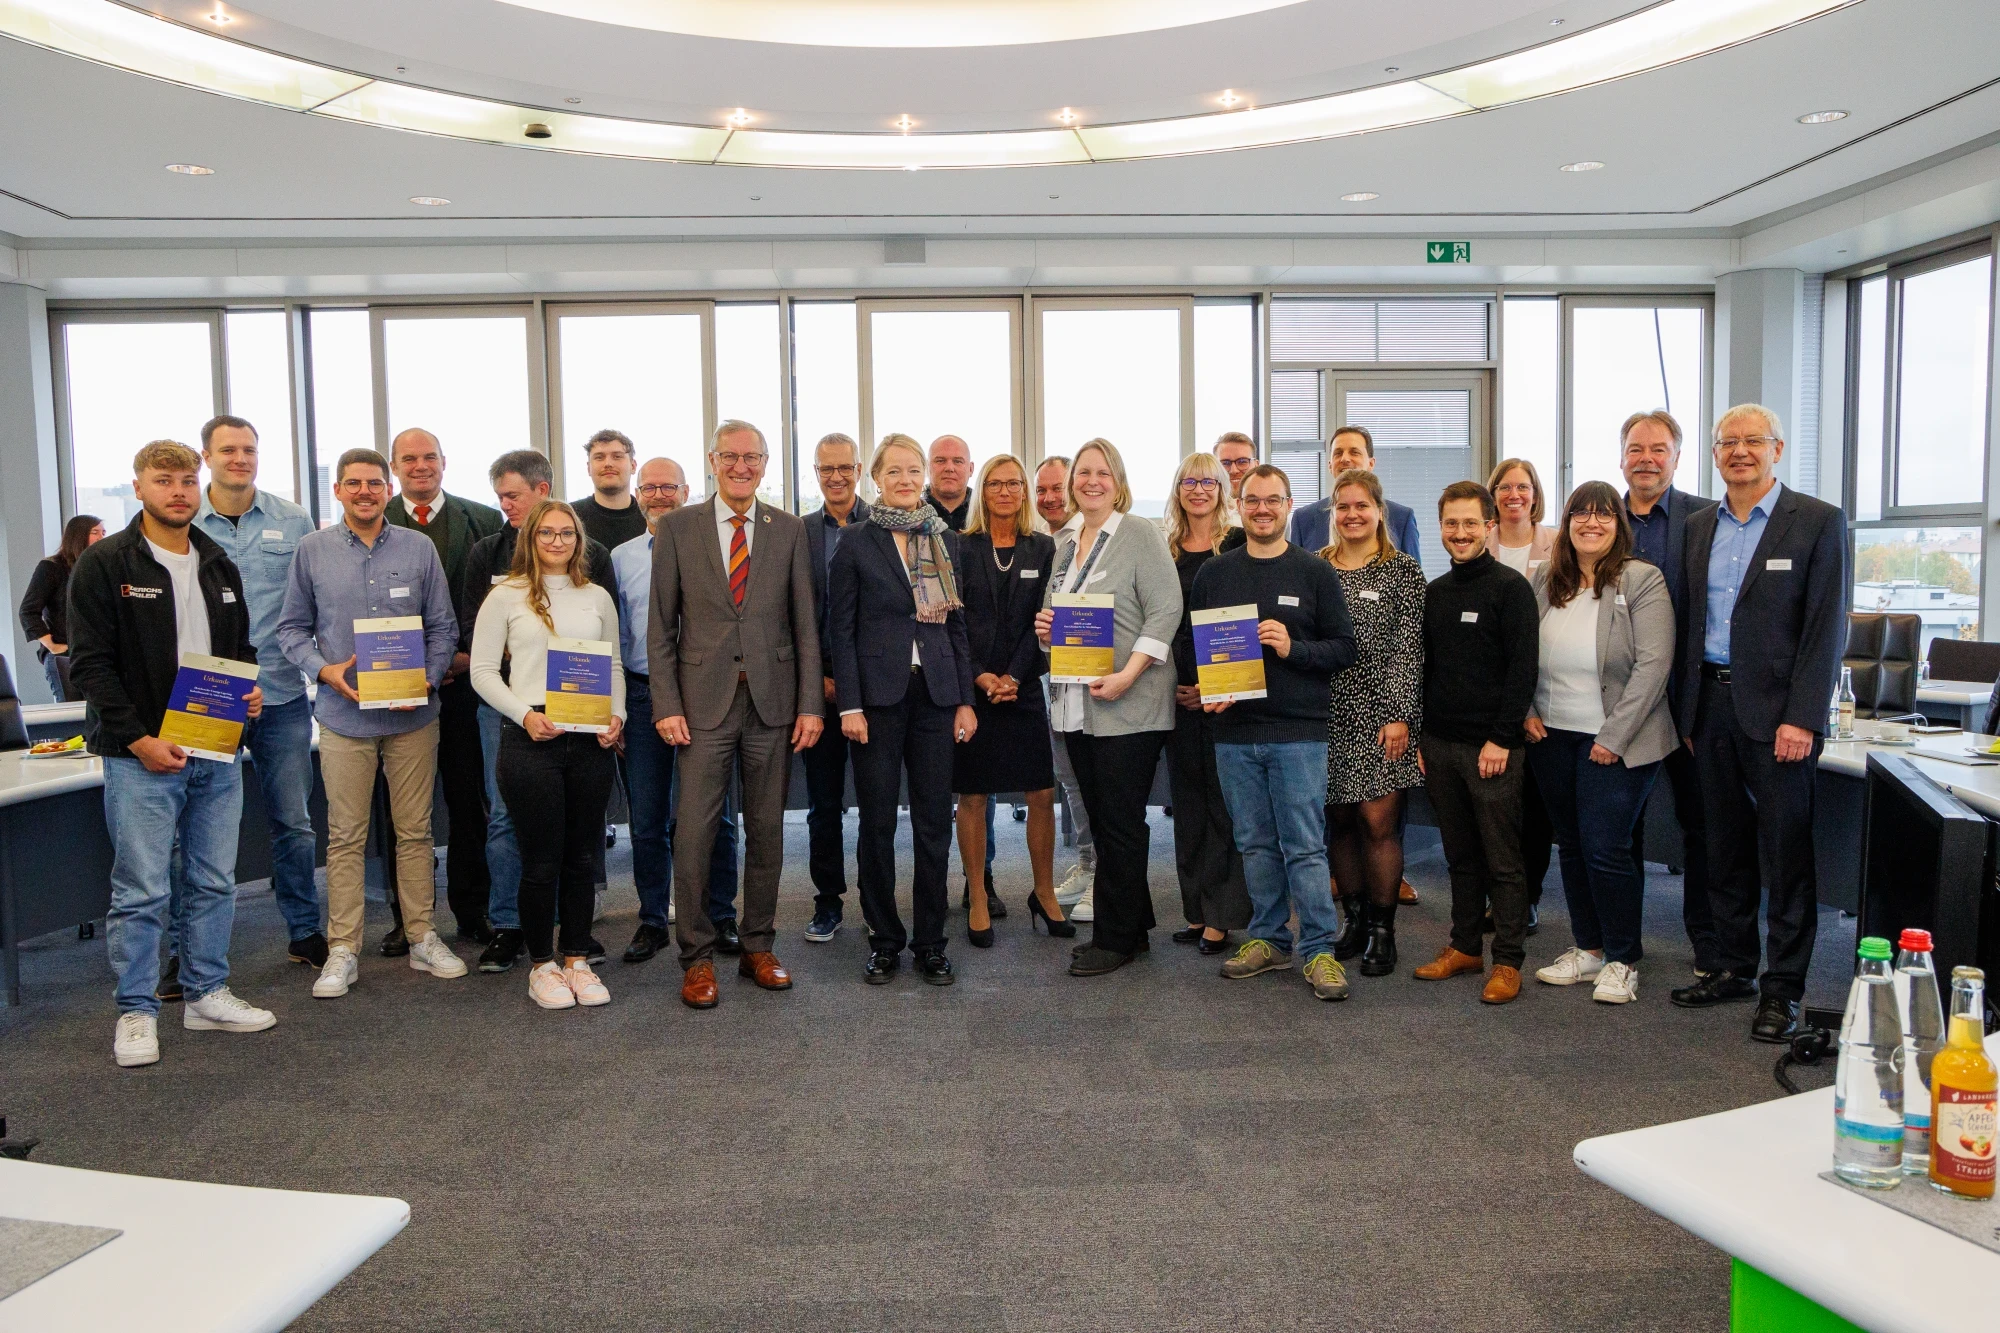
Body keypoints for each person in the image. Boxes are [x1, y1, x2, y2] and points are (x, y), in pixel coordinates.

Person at [69, 441, 276, 1068]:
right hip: (140, 755)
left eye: (189, 480)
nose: (180, 492)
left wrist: (249, 693)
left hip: (215, 748)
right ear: (139, 488)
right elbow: (90, 667)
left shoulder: (216, 563)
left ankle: (206, 992)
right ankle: (136, 1009)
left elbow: (238, 650)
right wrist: (138, 739)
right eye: (165, 481)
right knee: (141, 889)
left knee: (214, 880)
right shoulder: (106, 565)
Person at [1669, 405, 1847, 1043]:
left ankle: (1784, 989)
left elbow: (1825, 629)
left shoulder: (1817, 522)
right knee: (1723, 848)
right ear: (1715, 454)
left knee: (1785, 854)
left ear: (1777, 449)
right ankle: (1734, 967)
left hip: (1779, 721)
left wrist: (1803, 716)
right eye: (1727, 443)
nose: (1739, 452)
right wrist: (1686, 709)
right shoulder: (1697, 527)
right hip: (1709, 710)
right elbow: (1691, 625)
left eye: (1753, 442)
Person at [277, 447, 465, 998]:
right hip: (343, 716)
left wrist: (427, 679)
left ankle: (423, 936)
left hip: (413, 716)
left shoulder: (418, 547)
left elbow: (443, 628)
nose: (365, 491)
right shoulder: (312, 551)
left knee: (415, 832)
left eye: (374, 483)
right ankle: (342, 948)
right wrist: (324, 670)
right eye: (354, 483)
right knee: (345, 837)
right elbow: (291, 630)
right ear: (337, 490)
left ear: (388, 490)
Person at [648, 420, 822, 1010]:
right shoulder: (677, 527)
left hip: (773, 702)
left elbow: (805, 625)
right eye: (731, 456)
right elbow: (660, 630)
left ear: (765, 464)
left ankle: (758, 945)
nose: (741, 466)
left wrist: (809, 705)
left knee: (768, 829)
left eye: (752, 457)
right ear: (712, 461)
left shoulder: (789, 529)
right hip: (701, 706)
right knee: (695, 830)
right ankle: (695, 958)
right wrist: (667, 705)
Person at [1197, 465, 1357, 1002]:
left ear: (1289, 505)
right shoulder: (1215, 575)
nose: (1262, 509)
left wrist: (1293, 648)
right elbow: (1197, 649)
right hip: (1234, 732)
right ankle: (1268, 939)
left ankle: (1319, 950)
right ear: (1238, 505)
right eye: (1252, 500)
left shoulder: (1315, 573)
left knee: (1305, 846)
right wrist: (1204, 686)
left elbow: (1343, 649)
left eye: (1272, 500)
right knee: (1254, 843)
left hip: (1298, 732)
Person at [459, 450, 619, 973]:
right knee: (540, 860)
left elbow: (613, 665)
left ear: (579, 540)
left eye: (566, 533)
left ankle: (577, 959)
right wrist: (524, 715)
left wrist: (617, 716)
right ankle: (542, 964)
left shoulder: (595, 595)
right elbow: (483, 671)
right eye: (547, 533)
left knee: (581, 858)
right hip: (531, 736)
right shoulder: (504, 594)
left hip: (589, 739)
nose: (557, 541)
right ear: (532, 539)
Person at [1524, 482, 1677, 1006]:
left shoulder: (1641, 579)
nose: (1591, 523)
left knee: (1606, 847)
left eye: (1603, 514)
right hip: (1552, 735)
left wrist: (1612, 737)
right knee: (1570, 844)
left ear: (1618, 523)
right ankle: (1588, 949)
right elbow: (1519, 650)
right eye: (1580, 514)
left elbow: (1654, 666)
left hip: (1619, 739)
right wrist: (1526, 710)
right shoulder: (1546, 577)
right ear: (1566, 522)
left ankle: (1623, 959)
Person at [831, 435, 977, 984]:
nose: (906, 479)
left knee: (935, 823)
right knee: (876, 825)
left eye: (913, 470)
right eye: (894, 471)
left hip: (937, 697)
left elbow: (957, 625)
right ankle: (885, 939)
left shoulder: (945, 541)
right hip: (877, 702)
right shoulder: (855, 542)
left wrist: (964, 699)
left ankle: (931, 942)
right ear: (876, 478)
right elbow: (840, 632)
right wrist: (850, 704)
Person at [1035, 438, 1181, 977]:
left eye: (1101, 473)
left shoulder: (1139, 533)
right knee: (1102, 817)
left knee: (1120, 822)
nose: (1090, 481)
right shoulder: (1066, 541)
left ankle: (1114, 939)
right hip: (1077, 705)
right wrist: (1046, 631)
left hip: (1131, 703)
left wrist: (1128, 674)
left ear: (1118, 481)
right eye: (1082, 473)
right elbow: (1059, 620)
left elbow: (1166, 611)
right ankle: (1135, 924)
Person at [193, 414, 323, 970]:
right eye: (227, 450)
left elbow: (316, 601)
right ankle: (190, 951)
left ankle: (304, 930)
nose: (239, 458)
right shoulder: (182, 522)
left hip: (281, 692)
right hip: (208, 690)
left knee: (293, 822)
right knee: (197, 828)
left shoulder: (293, 520)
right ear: (208, 458)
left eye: (247, 449)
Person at [1411, 481, 1539, 1005]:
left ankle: (1508, 961)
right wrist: (1422, 736)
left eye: (1469, 524)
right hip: (1441, 746)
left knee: (1503, 860)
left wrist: (1500, 739)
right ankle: (1465, 947)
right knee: (1459, 856)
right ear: (1440, 528)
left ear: (1489, 526)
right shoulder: (1436, 593)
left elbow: (1522, 671)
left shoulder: (1511, 589)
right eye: (1450, 524)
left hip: (1492, 750)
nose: (1459, 533)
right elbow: (1427, 670)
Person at [612, 456, 743, 964]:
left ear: (688, 491)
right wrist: (617, 708)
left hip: (708, 694)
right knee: (647, 819)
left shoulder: (714, 546)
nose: (660, 495)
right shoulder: (621, 558)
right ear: (637, 494)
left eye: (670, 487)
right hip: (644, 697)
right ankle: (651, 919)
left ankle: (721, 915)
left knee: (717, 817)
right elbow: (615, 637)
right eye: (650, 487)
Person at [383, 427, 504, 947]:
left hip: (463, 684)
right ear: (396, 467)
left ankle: (473, 910)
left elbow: (493, 600)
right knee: (400, 809)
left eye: (428, 457)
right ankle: (405, 918)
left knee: (467, 801)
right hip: (393, 688)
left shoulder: (483, 519)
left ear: (444, 462)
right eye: (409, 459)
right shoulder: (373, 517)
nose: (420, 466)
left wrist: (463, 658)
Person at [1618, 410, 1719, 980]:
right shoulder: (1601, 517)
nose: (1647, 459)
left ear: (1678, 458)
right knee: (1620, 827)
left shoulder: (1706, 518)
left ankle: (1707, 939)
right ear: (1622, 457)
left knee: (1700, 825)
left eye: (1659, 449)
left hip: (1687, 702)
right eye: (1636, 449)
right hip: (1618, 701)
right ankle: (1620, 938)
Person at [953, 454, 1067, 946]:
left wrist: (1015, 674)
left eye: (1014, 483)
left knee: (1041, 792)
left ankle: (1044, 892)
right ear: (983, 490)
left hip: (1021, 688)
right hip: (972, 691)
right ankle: (978, 894)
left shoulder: (1043, 548)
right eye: (995, 483)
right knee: (973, 796)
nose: (1004, 491)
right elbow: (951, 619)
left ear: (1025, 492)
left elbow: (1048, 619)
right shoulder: (958, 547)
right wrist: (980, 675)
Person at [1321, 469, 1426, 979]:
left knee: (1377, 824)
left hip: (1383, 716)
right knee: (1338, 822)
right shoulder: (1316, 567)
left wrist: (1399, 713)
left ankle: (1384, 932)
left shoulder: (1402, 571)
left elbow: (1409, 646)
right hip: (1326, 713)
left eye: (1362, 505)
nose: (1352, 515)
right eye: (1343, 507)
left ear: (1380, 511)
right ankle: (1355, 921)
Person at [1163, 452, 1249, 956]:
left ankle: (1222, 916)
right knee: (1188, 807)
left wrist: (1212, 688)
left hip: (1223, 699)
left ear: (1223, 489)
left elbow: (1238, 624)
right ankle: (1196, 912)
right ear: (1178, 490)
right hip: (1173, 694)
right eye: (1189, 481)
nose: (1199, 489)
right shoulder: (1167, 548)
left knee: (1223, 809)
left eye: (1209, 481)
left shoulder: (1234, 545)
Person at [1486, 457, 1558, 929]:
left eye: (1524, 486)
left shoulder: (1557, 543)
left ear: (1536, 493)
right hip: (1490, 691)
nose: (1515, 495)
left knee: (1535, 808)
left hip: (1546, 690)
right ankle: (1496, 897)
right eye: (1506, 487)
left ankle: (1527, 897)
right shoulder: (1477, 541)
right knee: (1495, 810)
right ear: (1493, 494)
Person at [801, 433, 862, 942]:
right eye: (826, 470)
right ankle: (828, 901)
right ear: (815, 474)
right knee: (824, 803)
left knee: (876, 801)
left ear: (859, 470)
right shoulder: (797, 533)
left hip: (874, 689)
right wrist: (815, 678)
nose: (835, 477)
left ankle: (877, 902)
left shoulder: (884, 525)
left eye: (844, 468)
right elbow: (790, 616)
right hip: (818, 689)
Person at [1034, 454, 1097, 912]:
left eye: (1058, 487)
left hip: (1102, 687)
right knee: (1070, 781)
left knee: (1097, 784)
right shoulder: (1051, 547)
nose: (1050, 498)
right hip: (1057, 684)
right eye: (1042, 491)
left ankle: (1105, 874)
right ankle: (1089, 863)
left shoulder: (1100, 539)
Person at [1288, 426, 1422, 563]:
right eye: (1338, 453)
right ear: (1329, 465)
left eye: (1354, 452)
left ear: (1371, 463)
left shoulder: (1402, 518)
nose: (1345, 459)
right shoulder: (1303, 519)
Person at [18, 513, 103, 702]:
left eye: (103, 532)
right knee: (71, 722)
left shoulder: (99, 568)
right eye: (95, 532)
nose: (101, 537)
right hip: (66, 655)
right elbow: (28, 610)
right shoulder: (51, 567)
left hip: (96, 656)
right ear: (78, 535)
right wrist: (52, 645)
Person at [571, 428, 649, 552]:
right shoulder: (571, 517)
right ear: (588, 468)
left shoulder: (648, 516)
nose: (608, 464)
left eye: (617, 457)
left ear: (633, 466)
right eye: (599, 457)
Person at [925, 434, 974, 531]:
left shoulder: (986, 511)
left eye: (958, 461)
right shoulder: (911, 512)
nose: (949, 468)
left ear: (971, 469)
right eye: (940, 461)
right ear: (927, 467)